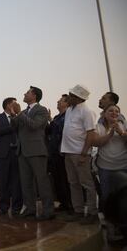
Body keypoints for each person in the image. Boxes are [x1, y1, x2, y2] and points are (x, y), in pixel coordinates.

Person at [10, 86, 54, 220]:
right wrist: (14, 115)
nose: (24, 94)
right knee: (26, 182)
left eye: (27, 92)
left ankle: (48, 211)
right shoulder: (23, 111)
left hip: (36, 150)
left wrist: (19, 114)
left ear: (34, 96)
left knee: (42, 181)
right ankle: (30, 208)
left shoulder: (42, 110)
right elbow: (14, 127)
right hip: (22, 151)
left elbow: (35, 125)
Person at [61, 84, 98, 224]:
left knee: (87, 184)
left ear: (78, 98)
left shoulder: (87, 112)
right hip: (68, 153)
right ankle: (78, 211)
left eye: (71, 95)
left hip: (79, 153)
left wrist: (84, 154)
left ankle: (93, 213)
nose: (68, 97)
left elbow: (90, 133)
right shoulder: (70, 109)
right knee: (73, 183)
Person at [92, 104, 127, 241]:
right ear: (104, 113)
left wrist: (121, 132)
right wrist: (110, 134)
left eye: (116, 111)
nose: (114, 113)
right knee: (107, 199)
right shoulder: (98, 126)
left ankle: (123, 227)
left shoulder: (124, 125)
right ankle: (112, 230)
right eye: (110, 111)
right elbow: (95, 142)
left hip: (123, 167)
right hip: (105, 169)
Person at [0, 97, 23, 216]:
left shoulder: (20, 117)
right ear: (8, 105)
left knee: (16, 181)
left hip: (16, 153)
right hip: (1, 153)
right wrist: (12, 127)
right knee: (2, 181)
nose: (17, 105)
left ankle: (16, 207)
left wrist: (16, 117)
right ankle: (3, 207)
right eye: (15, 103)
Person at [46, 94, 72, 212]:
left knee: (65, 179)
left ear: (67, 103)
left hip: (63, 152)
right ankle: (63, 202)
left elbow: (62, 129)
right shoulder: (57, 117)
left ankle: (70, 204)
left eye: (60, 100)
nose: (58, 101)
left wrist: (50, 120)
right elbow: (50, 131)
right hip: (54, 153)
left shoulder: (68, 116)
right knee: (57, 179)